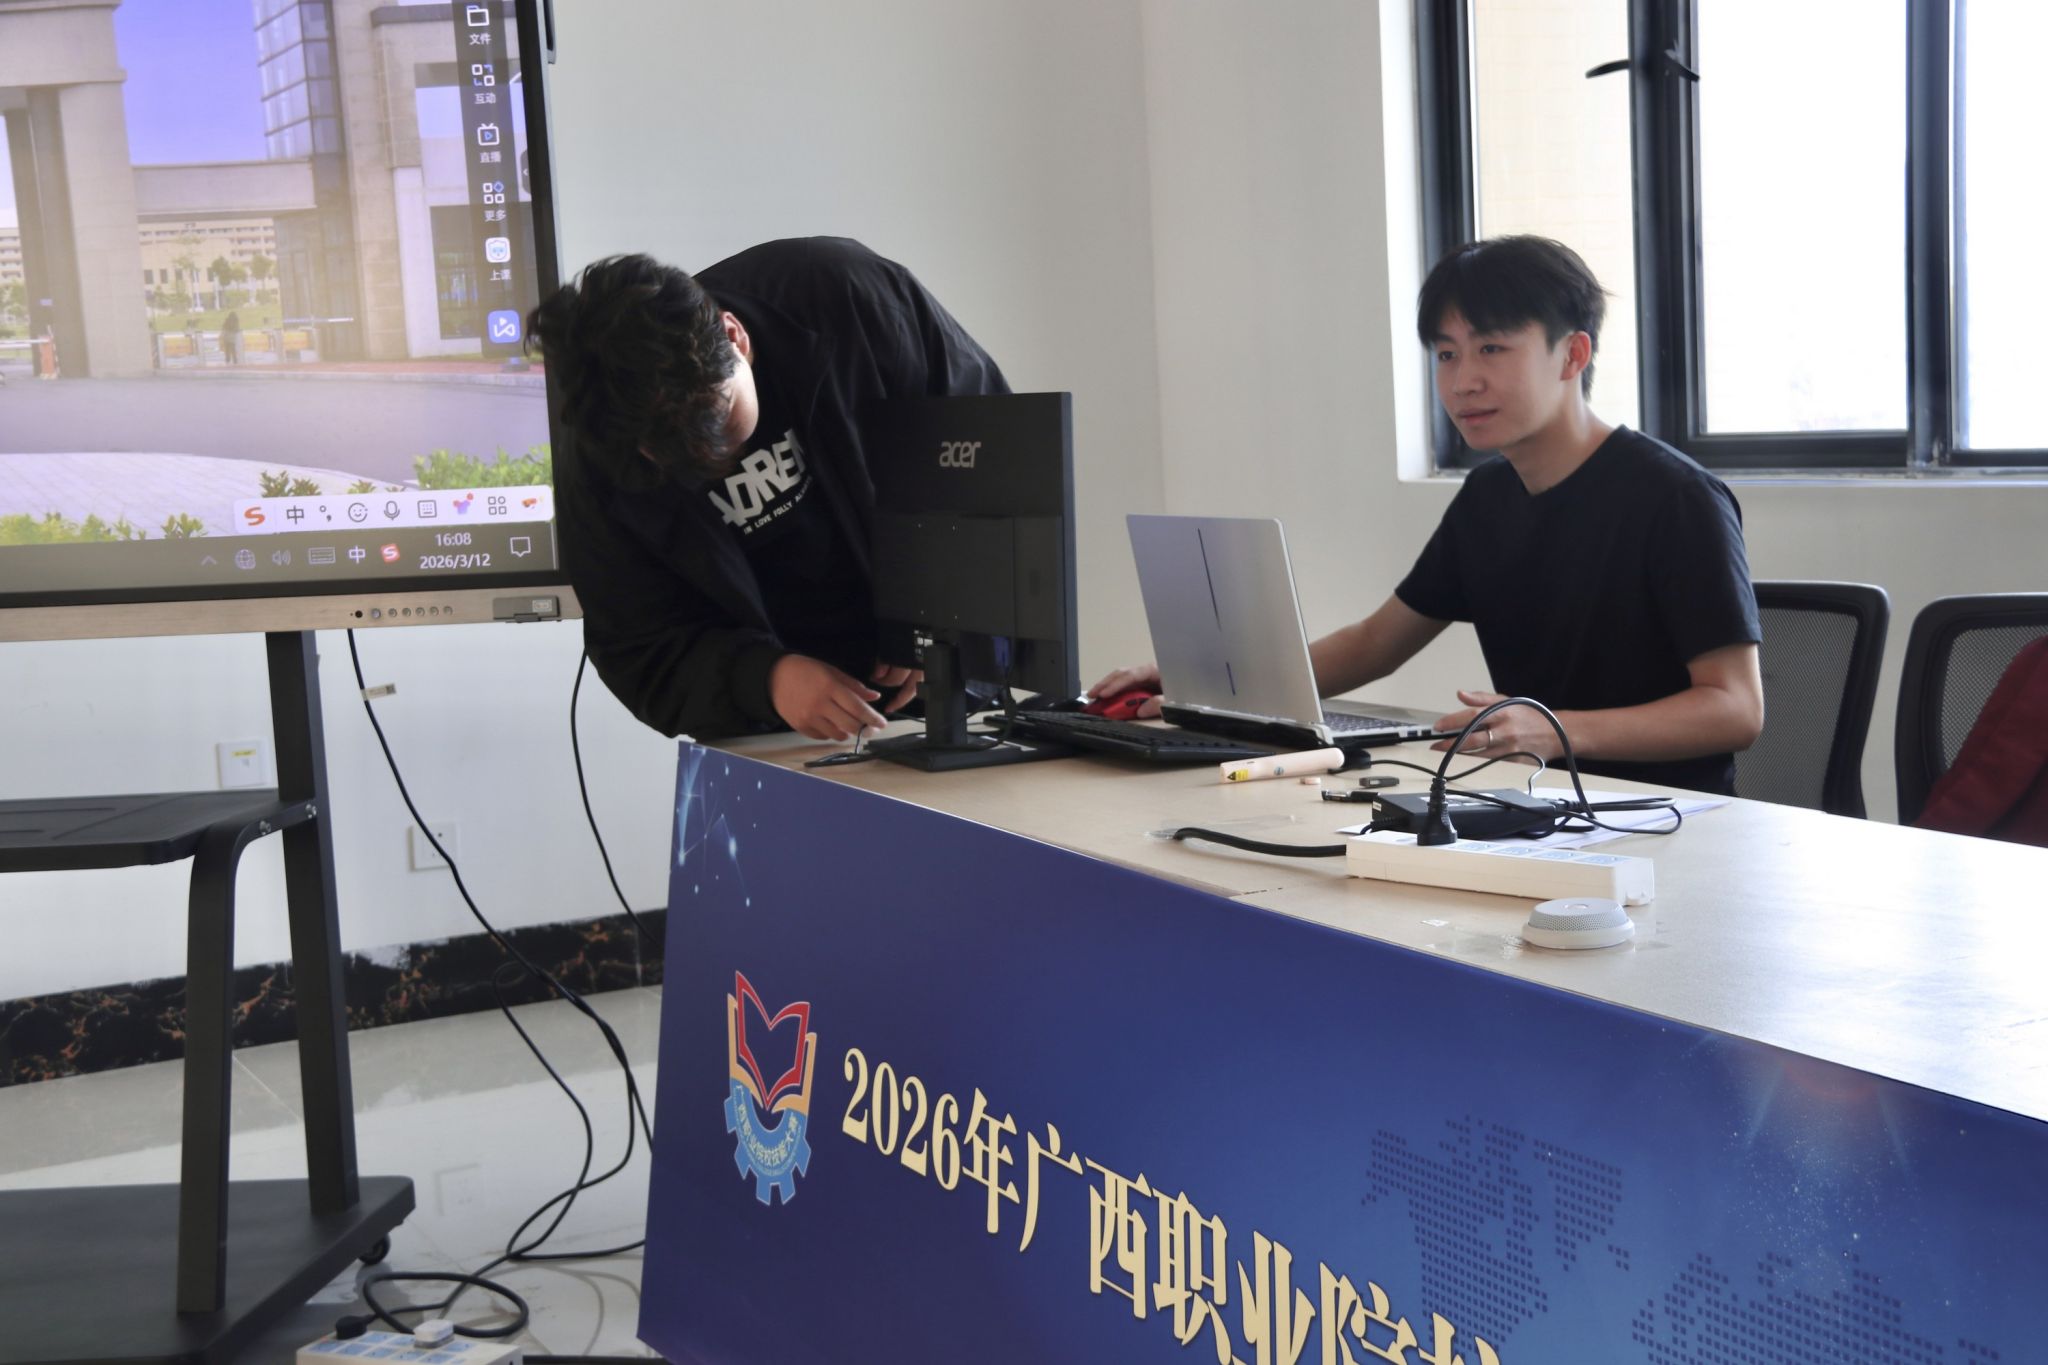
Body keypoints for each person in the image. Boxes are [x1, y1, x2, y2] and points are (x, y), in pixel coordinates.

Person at [1093, 235, 1763, 794]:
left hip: (1671, 817)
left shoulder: (1676, 498)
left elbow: (1736, 708)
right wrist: (1206, 682)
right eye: (1446, 354)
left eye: (1492, 348)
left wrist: (1556, 729)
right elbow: (1375, 643)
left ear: (1573, 354)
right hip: (1539, 804)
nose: (1463, 381)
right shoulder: (1488, 497)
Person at [529, 237, 1009, 742]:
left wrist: (942, 612)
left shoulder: (845, 297)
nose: (714, 459)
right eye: (676, 456)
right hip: (774, 728)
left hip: (950, 690)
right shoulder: (602, 455)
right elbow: (639, 646)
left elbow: (993, 456)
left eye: (721, 422)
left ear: (733, 336)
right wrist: (764, 679)